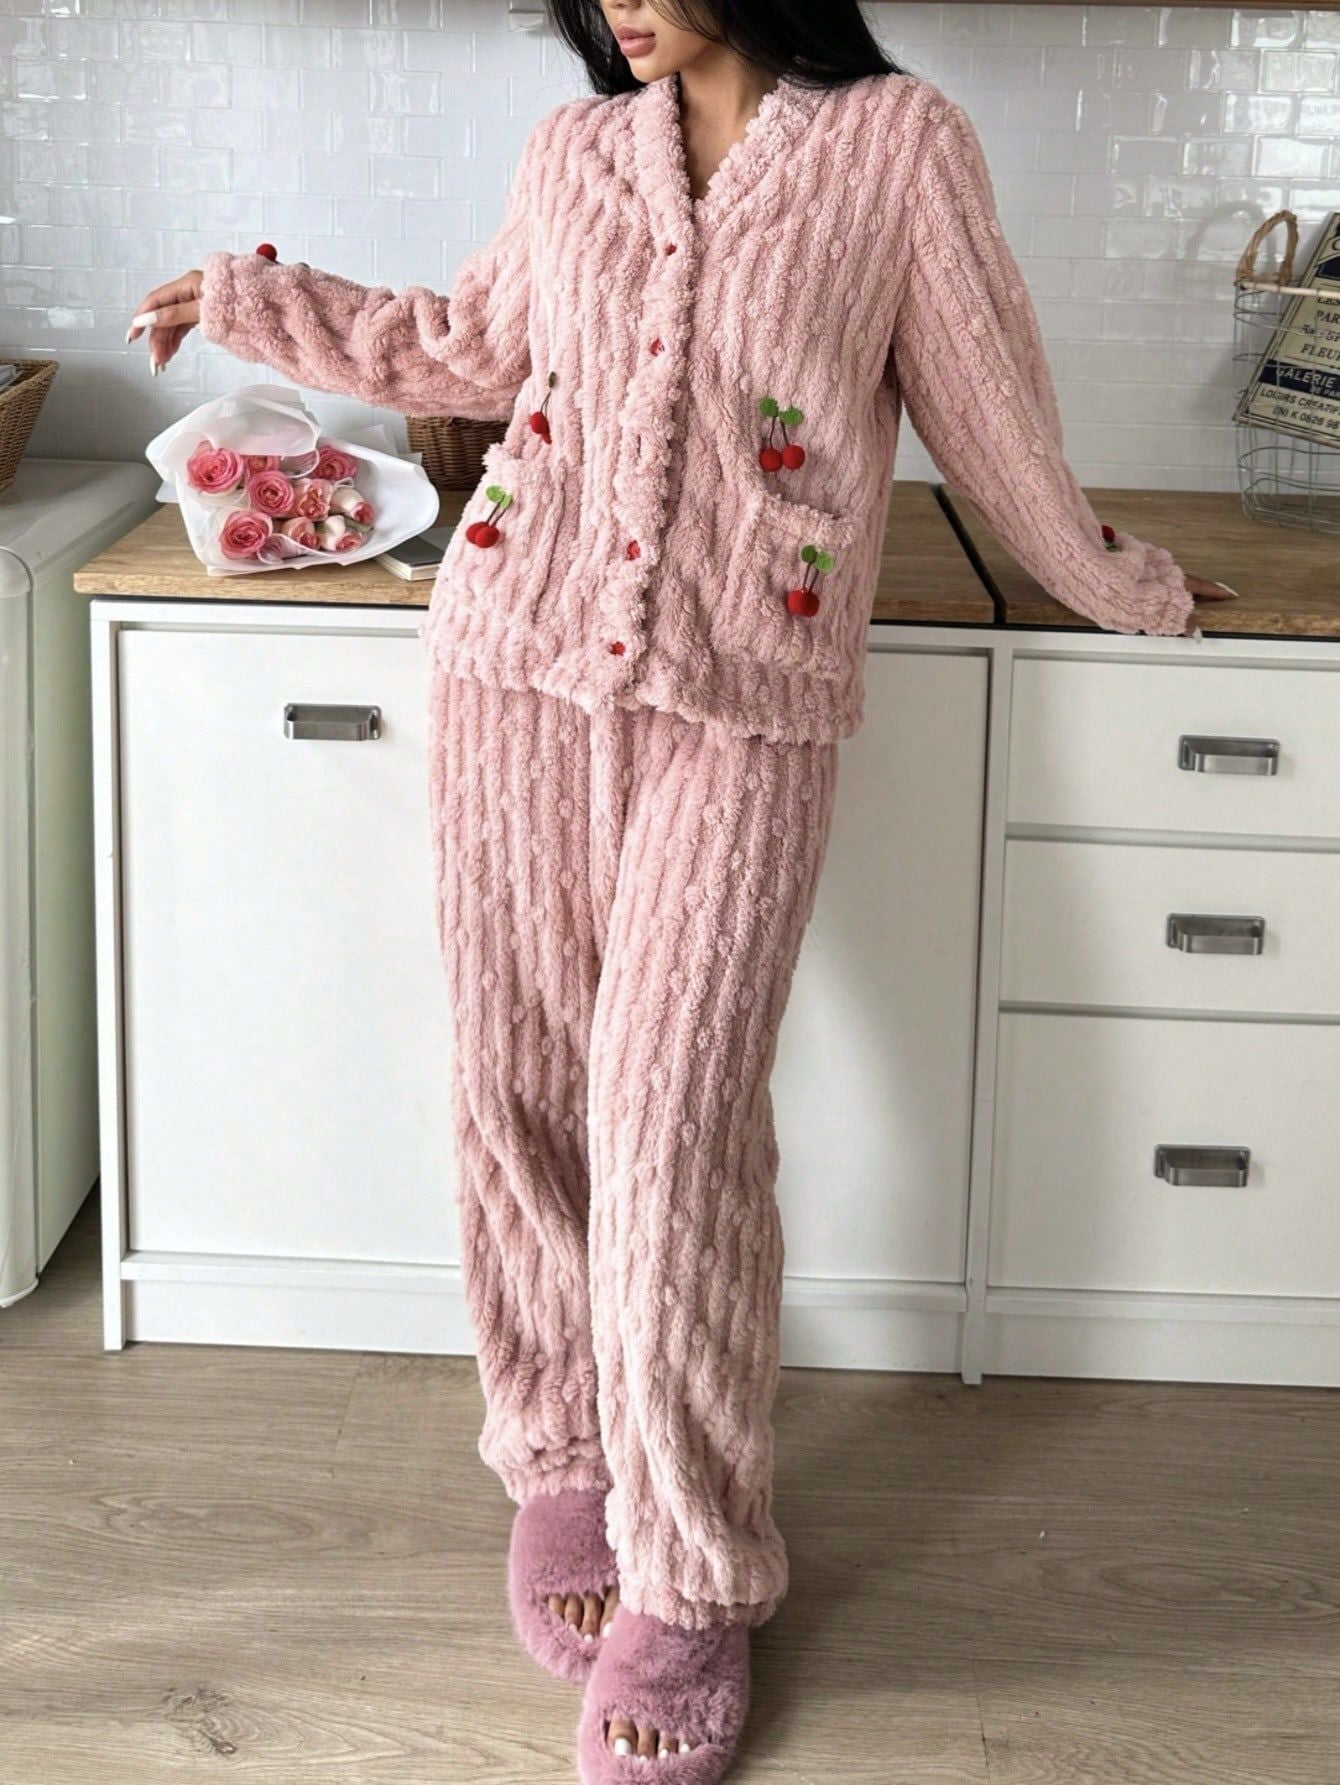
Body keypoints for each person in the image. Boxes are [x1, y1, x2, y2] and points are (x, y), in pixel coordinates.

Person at [126, 2, 1236, 1777]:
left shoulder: (898, 147)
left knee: (670, 1124)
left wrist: (1116, 581)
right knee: (518, 1086)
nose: (616, 3)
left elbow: (989, 409)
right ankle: (566, 1455)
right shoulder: (576, 150)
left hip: (751, 696)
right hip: (514, 660)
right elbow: (471, 344)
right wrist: (258, 301)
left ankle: (696, 1566)